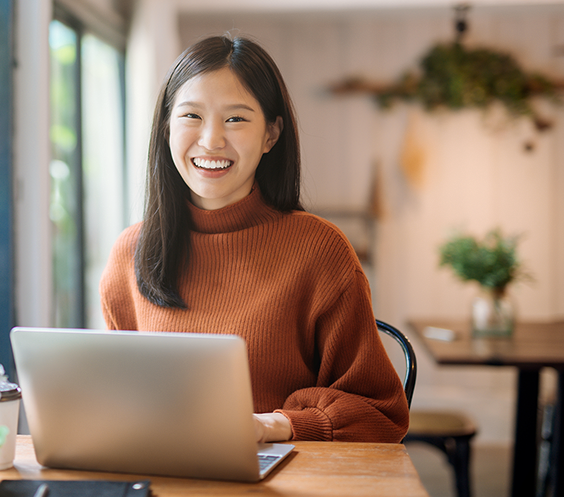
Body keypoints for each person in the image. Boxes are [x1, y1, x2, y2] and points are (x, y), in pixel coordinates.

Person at [99, 35, 408, 443]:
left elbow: (381, 411)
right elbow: (117, 394)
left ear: (271, 135)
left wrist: (275, 425)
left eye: (236, 119)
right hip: (160, 470)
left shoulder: (319, 250)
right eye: (191, 116)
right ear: (166, 128)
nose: (211, 140)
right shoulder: (131, 251)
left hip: (281, 477)